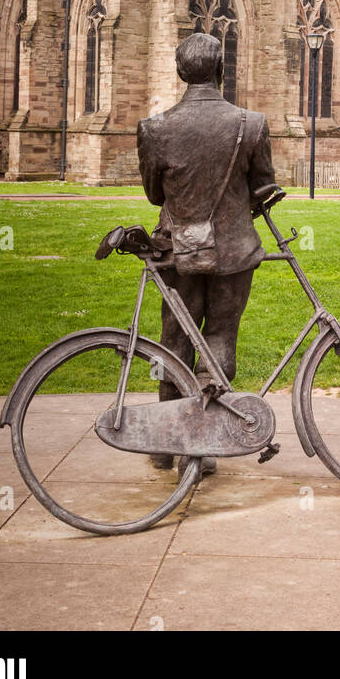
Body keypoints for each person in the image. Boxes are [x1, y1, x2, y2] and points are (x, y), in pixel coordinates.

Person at [136, 32, 277, 474]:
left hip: (179, 248)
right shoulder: (251, 124)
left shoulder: (154, 129)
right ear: (221, 70)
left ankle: (163, 441)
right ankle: (201, 447)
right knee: (220, 337)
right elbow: (263, 186)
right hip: (234, 250)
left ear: (181, 73)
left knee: (173, 340)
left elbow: (154, 194)